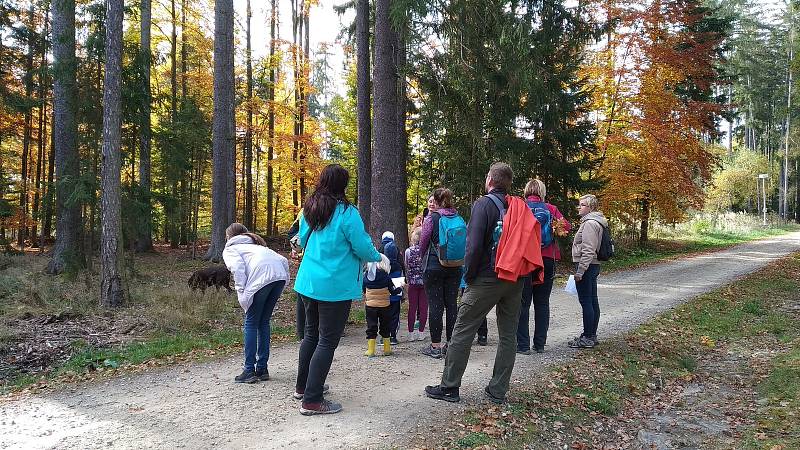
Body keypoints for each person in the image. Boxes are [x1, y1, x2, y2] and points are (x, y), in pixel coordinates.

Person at [425, 162, 541, 404]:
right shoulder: (517, 206)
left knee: (463, 329)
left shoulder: (483, 204)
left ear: (490, 179)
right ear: (508, 183)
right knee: (508, 335)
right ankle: (498, 390)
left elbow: (474, 245)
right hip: (516, 277)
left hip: (488, 277)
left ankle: (449, 386)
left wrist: (468, 276)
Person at [293, 164, 385, 415]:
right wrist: (379, 256)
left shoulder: (309, 208)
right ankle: (312, 400)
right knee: (327, 340)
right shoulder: (347, 213)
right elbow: (363, 247)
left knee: (311, 336)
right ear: (343, 185)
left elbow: (300, 240)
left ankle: (303, 387)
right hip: (333, 287)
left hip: (307, 282)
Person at [222, 223, 289, 384]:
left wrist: (242, 292)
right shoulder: (258, 246)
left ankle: (249, 370)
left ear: (229, 236)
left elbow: (238, 268)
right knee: (263, 322)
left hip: (261, 279)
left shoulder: (231, 248)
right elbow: (283, 260)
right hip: (278, 277)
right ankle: (262, 368)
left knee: (251, 323)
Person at [517, 179, 571, 354]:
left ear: (526, 191)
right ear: (542, 192)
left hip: (524, 259)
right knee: (542, 303)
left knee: (522, 303)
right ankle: (539, 344)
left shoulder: (520, 207)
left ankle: (523, 345)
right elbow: (567, 228)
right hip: (547, 258)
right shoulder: (551, 209)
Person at [418, 188, 464, 359]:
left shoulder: (433, 217)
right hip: (455, 265)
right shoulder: (458, 218)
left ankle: (435, 346)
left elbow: (423, 241)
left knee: (435, 304)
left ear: (435, 202)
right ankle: (451, 345)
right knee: (451, 304)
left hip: (434, 265)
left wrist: (421, 257)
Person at [569, 194, 607, 349]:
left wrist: (580, 271)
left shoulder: (590, 224)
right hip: (592, 265)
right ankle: (591, 335)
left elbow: (589, 249)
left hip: (587, 265)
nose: (580, 207)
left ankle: (588, 337)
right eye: (580, 204)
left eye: (583, 204)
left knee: (587, 301)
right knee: (591, 300)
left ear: (591, 207)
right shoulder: (596, 222)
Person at [363, 260, 401, 356]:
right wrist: (400, 287)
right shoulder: (386, 277)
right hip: (384, 306)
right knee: (385, 326)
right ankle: (387, 349)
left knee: (371, 326)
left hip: (371, 306)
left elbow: (363, 288)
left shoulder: (366, 276)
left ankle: (371, 350)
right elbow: (393, 291)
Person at [380, 231, 403, 344]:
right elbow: (401, 278)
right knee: (395, 314)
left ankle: (384, 336)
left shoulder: (382, 262)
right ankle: (393, 336)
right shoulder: (398, 265)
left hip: (384, 294)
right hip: (396, 294)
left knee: (383, 315)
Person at [404, 229, 427, 341]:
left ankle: (411, 333)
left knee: (412, 308)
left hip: (413, 282)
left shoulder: (408, 251)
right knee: (423, 308)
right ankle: (421, 332)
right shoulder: (426, 251)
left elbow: (407, 265)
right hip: (424, 282)